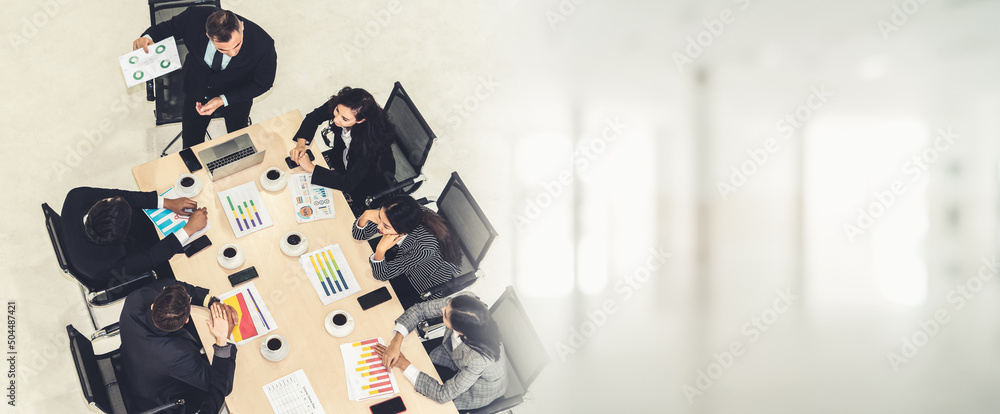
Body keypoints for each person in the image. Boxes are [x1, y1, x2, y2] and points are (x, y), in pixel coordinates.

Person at [133, 7, 277, 149]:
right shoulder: (193, 17)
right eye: (223, 49)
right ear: (208, 35)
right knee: (191, 139)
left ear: (242, 26)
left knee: (238, 136)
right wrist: (147, 38)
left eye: (237, 45)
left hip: (237, 93)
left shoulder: (263, 44)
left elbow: (263, 83)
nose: (233, 53)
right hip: (196, 87)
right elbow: (164, 29)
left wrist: (223, 100)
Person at [119, 279, 239, 413]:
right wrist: (223, 338)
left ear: (154, 305)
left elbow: (170, 284)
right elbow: (222, 385)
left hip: (134, 365)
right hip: (159, 397)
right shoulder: (180, 356)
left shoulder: (135, 299)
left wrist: (210, 301)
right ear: (186, 320)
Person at [374, 293, 507, 410]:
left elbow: (442, 395)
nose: (442, 308)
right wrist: (396, 342)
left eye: (444, 314)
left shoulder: (479, 360)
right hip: (454, 357)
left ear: (459, 330)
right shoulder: (460, 305)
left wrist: (403, 363)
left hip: (478, 389)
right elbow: (420, 310)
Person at [60, 187, 208, 285]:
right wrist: (189, 229)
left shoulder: (77, 196)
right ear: (121, 236)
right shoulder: (101, 266)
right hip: (125, 267)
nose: (117, 198)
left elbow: (122, 196)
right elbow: (149, 258)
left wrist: (167, 202)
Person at [289, 86, 396, 216]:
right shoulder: (343, 108)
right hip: (343, 158)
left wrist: (311, 168)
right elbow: (314, 117)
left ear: (361, 120)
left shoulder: (371, 144)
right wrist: (301, 143)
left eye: (345, 119)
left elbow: (349, 183)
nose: (336, 119)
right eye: (337, 111)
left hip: (366, 180)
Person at [352, 195, 461, 307]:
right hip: (401, 254)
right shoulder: (398, 211)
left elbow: (382, 274)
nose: (379, 225)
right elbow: (358, 235)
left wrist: (380, 250)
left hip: (418, 281)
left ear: (404, 232)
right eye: (379, 217)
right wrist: (366, 215)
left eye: (385, 226)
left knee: (364, 298)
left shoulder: (424, 247)